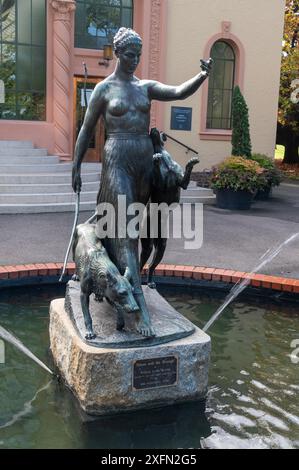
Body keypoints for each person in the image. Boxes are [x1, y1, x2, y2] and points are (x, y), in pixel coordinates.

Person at [72, 27, 211, 337]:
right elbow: (85, 130)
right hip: (117, 160)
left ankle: (120, 281)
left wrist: (201, 76)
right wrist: (76, 165)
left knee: (135, 228)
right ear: (118, 53)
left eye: (138, 55)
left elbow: (177, 92)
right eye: (129, 55)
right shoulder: (104, 90)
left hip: (143, 163)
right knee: (123, 227)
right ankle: (140, 308)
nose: (134, 60)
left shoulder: (145, 87)